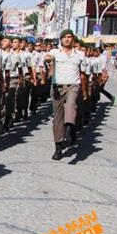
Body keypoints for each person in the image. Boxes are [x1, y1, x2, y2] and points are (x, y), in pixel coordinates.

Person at [43, 30, 88, 160]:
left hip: (73, 85)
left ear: (73, 39)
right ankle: (58, 146)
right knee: (57, 118)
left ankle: (68, 131)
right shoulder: (55, 52)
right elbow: (48, 57)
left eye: (69, 37)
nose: (67, 39)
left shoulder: (80, 54)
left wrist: (84, 91)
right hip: (57, 87)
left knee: (71, 104)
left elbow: (83, 74)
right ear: (61, 39)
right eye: (64, 37)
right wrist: (47, 59)